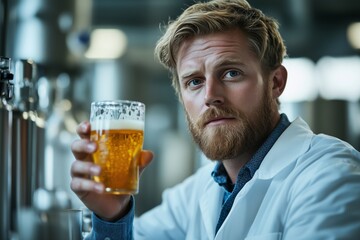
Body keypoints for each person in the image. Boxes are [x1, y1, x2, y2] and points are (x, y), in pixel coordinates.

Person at [70, 0, 360, 239]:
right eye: (194, 82)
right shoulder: (192, 194)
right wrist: (112, 216)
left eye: (231, 73)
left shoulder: (331, 175)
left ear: (276, 83)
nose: (210, 96)